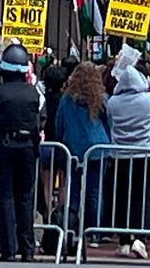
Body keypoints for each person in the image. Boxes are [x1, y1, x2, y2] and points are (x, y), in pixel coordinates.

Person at [0, 44, 44, 262]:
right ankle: (28, 249)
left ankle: (8, 249)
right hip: (27, 148)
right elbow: (41, 119)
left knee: (4, 198)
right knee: (25, 199)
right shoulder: (33, 93)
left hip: (4, 146)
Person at [106, 62, 150, 259]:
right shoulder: (148, 99)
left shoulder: (113, 102)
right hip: (144, 154)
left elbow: (109, 119)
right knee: (141, 197)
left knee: (121, 198)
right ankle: (139, 238)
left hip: (120, 155)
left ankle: (124, 240)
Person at [55, 61, 111, 249]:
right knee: (95, 191)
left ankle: (72, 228)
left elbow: (59, 123)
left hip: (73, 148)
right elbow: (108, 123)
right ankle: (94, 232)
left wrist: (60, 142)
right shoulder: (101, 98)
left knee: (74, 191)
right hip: (97, 148)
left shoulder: (66, 99)